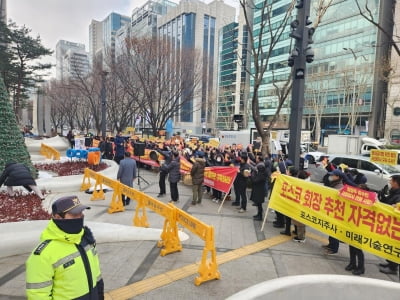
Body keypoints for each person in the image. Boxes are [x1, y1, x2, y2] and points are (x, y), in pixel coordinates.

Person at [26, 195, 104, 299]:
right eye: (74, 214)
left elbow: (96, 271)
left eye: (81, 212)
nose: (80, 217)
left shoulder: (85, 238)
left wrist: (100, 294)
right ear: (58, 217)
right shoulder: (43, 254)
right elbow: (38, 295)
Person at [377, 175, 400, 275]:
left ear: (396, 182)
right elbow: (387, 204)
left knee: (395, 246)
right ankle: (390, 263)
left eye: (391, 181)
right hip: (389, 224)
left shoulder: (399, 195)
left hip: (396, 226)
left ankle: (393, 268)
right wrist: (381, 197)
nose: (390, 182)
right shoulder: (394, 192)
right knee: (390, 244)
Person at [322, 169, 344, 255]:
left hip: (337, 212)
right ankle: (330, 245)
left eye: (333, 175)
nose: (331, 176)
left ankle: (334, 249)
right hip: (331, 210)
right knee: (330, 229)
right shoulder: (334, 184)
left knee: (334, 230)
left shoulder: (339, 186)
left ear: (337, 177)